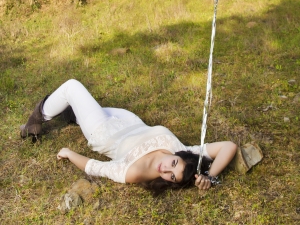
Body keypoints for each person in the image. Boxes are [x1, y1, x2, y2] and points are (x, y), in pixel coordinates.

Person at [20, 79, 237, 194]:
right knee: (82, 106)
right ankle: (71, 114)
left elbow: (96, 167)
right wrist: (209, 175)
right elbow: (229, 146)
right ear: (180, 156)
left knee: (72, 87)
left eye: (171, 176)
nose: (166, 170)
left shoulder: (134, 172)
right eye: (173, 164)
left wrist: (69, 153)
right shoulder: (184, 150)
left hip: (103, 131)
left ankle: (34, 123)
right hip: (129, 121)